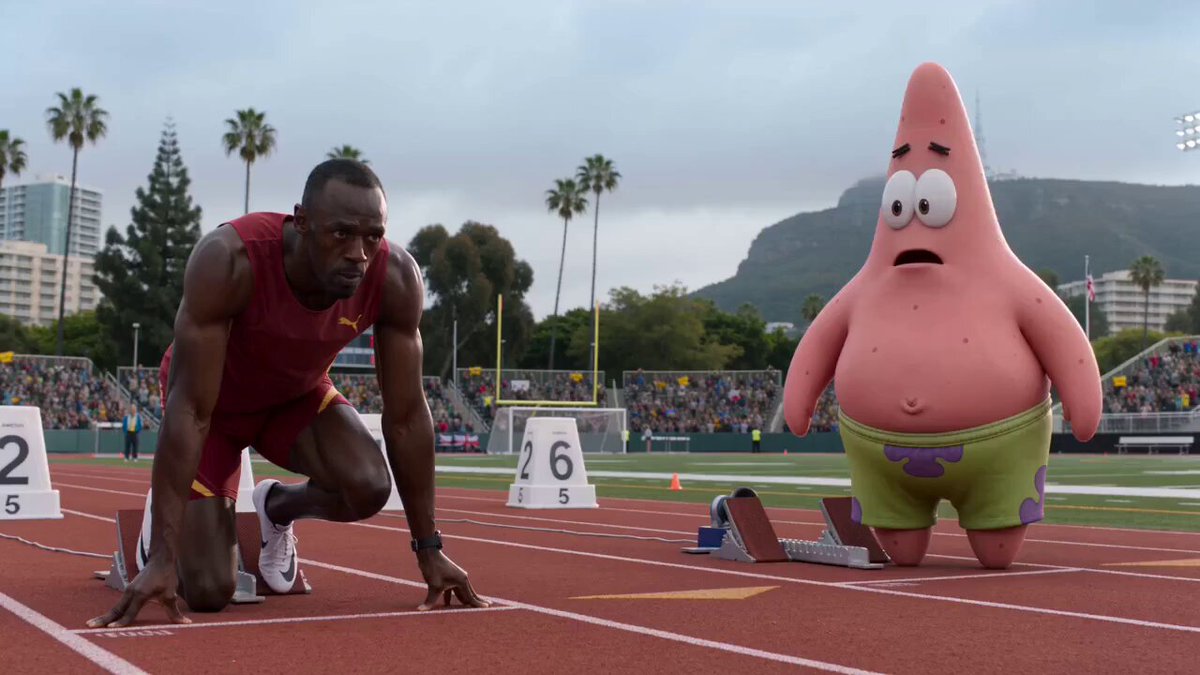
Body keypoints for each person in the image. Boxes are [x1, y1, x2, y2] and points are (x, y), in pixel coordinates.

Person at [88, 159, 488, 628]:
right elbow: (191, 408)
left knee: (369, 487)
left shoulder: (395, 277)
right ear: (301, 222)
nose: (359, 253)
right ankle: (160, 530)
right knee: (210, 592)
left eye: (372, 236)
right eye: (342, 234)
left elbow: (405, 417)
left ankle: (275, 507)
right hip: (214, 408)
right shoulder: (229, 258)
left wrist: (429, 548)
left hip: (294, 399)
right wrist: (163, 557)